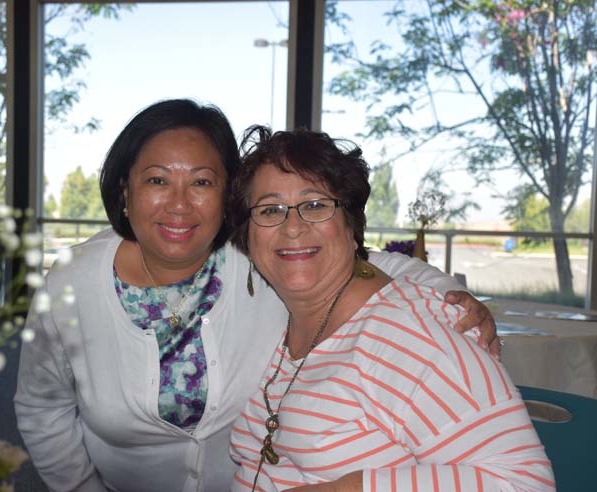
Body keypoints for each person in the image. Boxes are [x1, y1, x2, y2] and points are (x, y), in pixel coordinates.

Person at [14, 99, 500, 492]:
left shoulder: (260, 254)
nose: (180, 203)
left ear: (228, 194)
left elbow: (363, 259)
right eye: (157, 180)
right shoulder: (71, 284)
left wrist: (452, 296)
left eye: (202, 181)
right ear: (125, 191)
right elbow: (42, 408)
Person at [228, 126, 553, 492]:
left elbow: (523, 483)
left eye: (315, 205)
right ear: (248, 237)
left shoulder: (409, 334)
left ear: (351, 224)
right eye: (270, 210)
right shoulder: (285, 322)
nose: (292, 228)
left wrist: (344, 489)